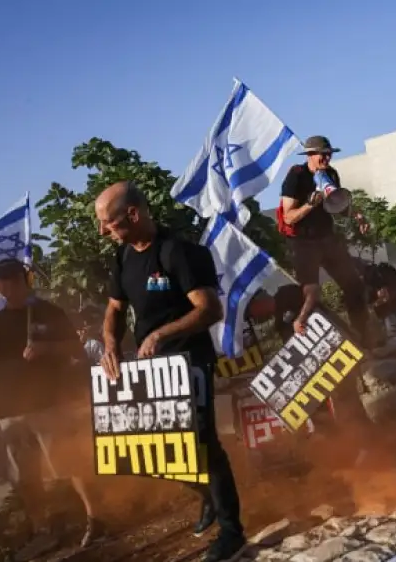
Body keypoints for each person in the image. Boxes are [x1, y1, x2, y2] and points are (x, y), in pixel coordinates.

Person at [95, 181, 245, 562]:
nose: (102, 231)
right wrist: (110, 344)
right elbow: (114, 309)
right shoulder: (123, 257)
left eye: (107, 222)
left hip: (188, 360)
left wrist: (162, 334)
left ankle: (232, 532)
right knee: (148, 451)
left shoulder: (177, 252)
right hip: (149, 369)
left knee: (203, 443)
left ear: (133, 214)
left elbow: (209, 309)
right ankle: (207, 494)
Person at [0, 258, 104, 555]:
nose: (11, 287)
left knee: (70, 465)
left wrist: (47, 348)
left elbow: (76, 349)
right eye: (4, 282)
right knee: (25, 478)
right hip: (12, 411)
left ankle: (96, 519)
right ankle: (44, 530)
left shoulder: (49, 312)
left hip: (50, 404)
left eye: (15, 280)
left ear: (25, 281)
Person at [278, 135, 373, 347]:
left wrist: (357, 216)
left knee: (354, 286)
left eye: (329, 154)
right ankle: (299, 327)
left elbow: (338, 205)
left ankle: (362, 338)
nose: (327, 158)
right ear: (310, 155)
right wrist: (311, 204)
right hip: (303, 242)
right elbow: (288, 217)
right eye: (323, 154)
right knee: (312, 293)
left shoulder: (331, 174)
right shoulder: (296, 176)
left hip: (327, 238)